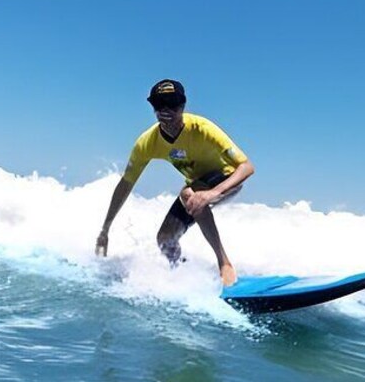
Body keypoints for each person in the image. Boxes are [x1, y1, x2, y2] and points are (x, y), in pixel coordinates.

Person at [95, 79, 254, 286]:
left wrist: (213, 193)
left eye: (173, 103)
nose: (166, 110)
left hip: (226, 179)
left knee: (191, 194)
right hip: (196, 188)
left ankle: (224, 264)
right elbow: (125, 184)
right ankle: (184, 274)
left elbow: (247, 167)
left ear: (182, 105)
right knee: (165, 239)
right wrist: (105, 230)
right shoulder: (147, 143)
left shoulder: (202, 128)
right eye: (160, 104)